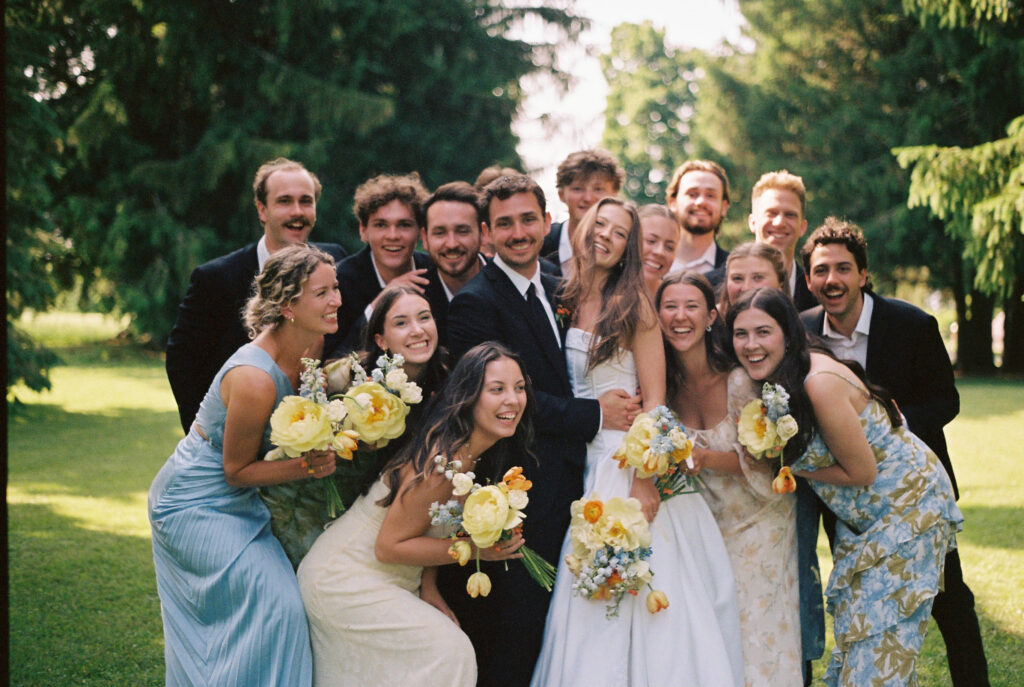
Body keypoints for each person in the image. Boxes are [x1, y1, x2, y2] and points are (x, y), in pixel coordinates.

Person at [531, 203, 742, 687]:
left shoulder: (636, 309)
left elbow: (655, 402)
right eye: (599, 225)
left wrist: (643, 480)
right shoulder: (563, 295)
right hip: (577, 457)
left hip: (621, 464)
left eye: (620, 232)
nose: (606, 236)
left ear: (630, 245)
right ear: (582, 228)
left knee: (636, 593)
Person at [444, 174, 638, 687]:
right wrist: (596, 415)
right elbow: (502, 405)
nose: (518, 231)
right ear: (487, 234)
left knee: (563, 629)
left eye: (528, 219)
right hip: (518, 490)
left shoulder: (559, 286)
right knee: (516, 633)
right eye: (504, 223)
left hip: (578, 482)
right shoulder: (475, 303)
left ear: (546, 222)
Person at [727, 287, 963, 687]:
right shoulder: (782, 381)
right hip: (864, 521)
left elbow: (862, 472)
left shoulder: (818, 381)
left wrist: (789, 469)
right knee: (861, 643)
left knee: (880, 651)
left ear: (787, 332)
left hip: (908, 513)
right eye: (741, 334)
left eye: (763, 332)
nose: (751, 344)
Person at [799, 218, 990, 686]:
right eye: (821, 271)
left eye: (843, 268)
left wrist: (894, 424)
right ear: (808, 281)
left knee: (949, 597)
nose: (832, 280)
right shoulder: (801, 332)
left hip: (911, 495)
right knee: (855, 594)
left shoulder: (911, 324)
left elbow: (947, 399)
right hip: (845, 493)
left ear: (863, 274)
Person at [149, 244, 344, 686]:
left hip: (240, 500)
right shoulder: (253, 378)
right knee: (278, 608)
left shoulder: (313, 342)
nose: (336, 301)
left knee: (271, 614)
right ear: (289, 305)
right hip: (194, 502)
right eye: (322, 293)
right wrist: (309, 467)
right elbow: (234, 470)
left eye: (336, 288)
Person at [297, 342, 533, 687]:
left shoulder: (472, 454)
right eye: (497, 389)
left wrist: (429, 586)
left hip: (390, 580)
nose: (512, 400)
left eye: (519, 388)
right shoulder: (443, 462)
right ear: (468, 396)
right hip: (344, 579)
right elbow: (389, 546)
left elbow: (431, 523)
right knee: (449, 651)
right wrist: (475, 549)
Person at [656, 271, 806, 685]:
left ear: (711, 316)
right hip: (701, 528)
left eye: (691, 306)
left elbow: (765, 465)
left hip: (761, 521)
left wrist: (704, 458)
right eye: (669, 307)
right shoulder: (662, 389)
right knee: (711, 642)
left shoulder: (739, 380)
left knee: (758, 637)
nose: (680, 317)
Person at [261, 284, 451, 566]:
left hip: (362, 528)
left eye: (424, 317)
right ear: (381, 340)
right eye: (401, 323)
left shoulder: (444, 386)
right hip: (299, 508)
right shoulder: (344, 378)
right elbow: (280, 442)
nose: (418, 330)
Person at [165, 158, 346, 433]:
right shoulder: (216, 278)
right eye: (284, 201)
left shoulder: (336, 259)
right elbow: (182, 363)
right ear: (262, 210)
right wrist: (207, 435)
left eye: (306, 201)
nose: (297, 212)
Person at [324, 172, 433, 355]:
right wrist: (379, 303)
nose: (392, 235)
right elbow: (333, 357)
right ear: (363, 231)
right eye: (381, 225)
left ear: (420, 232)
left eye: (404, 225)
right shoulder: (340, 282)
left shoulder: (432, 272)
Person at [421, 181, 487, 346]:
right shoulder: (415, 297)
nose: (451, 244)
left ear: (483, 234)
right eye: (439, 232)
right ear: (425, 238)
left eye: (462, 231)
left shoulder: (508, 283)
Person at [541, 149, 625, 277]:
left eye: (598, 189)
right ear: (562, 195)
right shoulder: (540, 244)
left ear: (614, 195)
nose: (588, 198)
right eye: (578, 188)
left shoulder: (624, 253)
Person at [746, 170, 817, 311]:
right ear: (753, 222)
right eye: (771, 213)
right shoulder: (716, 287)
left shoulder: (817, 293)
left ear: (802, 227)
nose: (779, 222)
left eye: (790, 215)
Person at [665, 160, 732, 286]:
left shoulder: (734, 271)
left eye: (710, 195)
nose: (701, 202)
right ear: (672, 203)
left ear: (724, 207)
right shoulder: (646, 264)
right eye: (692, 194)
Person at [719, 241, 786, 313]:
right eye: (737, 278)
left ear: (780, 283)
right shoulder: (709, 322)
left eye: (758, 277)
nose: (746, 288)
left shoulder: (797, 323)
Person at [637, 204, 680, 299]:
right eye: (651, 241)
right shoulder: (602, 292)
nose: (660, 252)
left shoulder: (676, 301)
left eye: (669, 247)